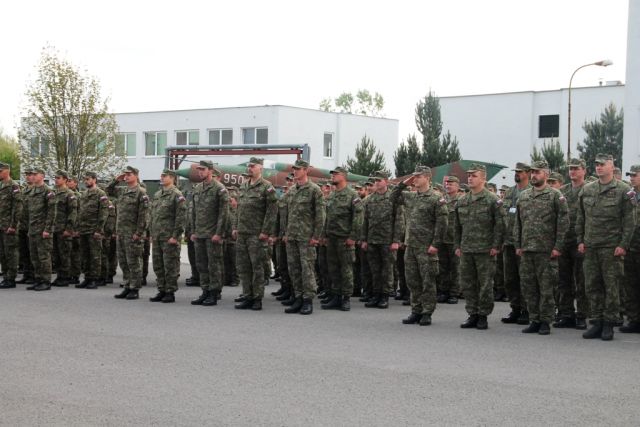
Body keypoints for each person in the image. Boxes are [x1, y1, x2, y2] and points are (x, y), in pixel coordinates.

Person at [577, 154, 634, 341]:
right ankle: (597, 321)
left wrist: (623, 244)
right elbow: (581, 218)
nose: (599, 167)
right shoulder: (588, 189)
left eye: (602, 164)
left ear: (612, 166)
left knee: (611, 286)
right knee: (592, 285)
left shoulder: (624, 190)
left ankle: (609, 322)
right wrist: (580, 240)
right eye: (596, 164)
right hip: (591, 246)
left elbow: (630, 221)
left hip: (611, 247)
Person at [515, 161, 569, 335]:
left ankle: (545, 321)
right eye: (532, 172)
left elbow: (563, 222)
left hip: (546, 250)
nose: (534, 175)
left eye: (537, 172)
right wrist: (518, 245)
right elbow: (518, 223)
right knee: (529, 287)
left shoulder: (555, 195)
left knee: (546, 288)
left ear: (546, 174)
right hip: (527, 249)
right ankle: (534, 319)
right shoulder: (524, 196)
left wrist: (558, 246)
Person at [392, 166, 447, 326]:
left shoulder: (436, 198)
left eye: (418, 176)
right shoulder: (411, 196)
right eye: (414, 176)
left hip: (426, 247)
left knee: (427, 281)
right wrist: (404, 182)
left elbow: (442, 223)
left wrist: (435, 244)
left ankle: (427, 312)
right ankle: (416, 310)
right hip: (411, 246)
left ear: (427, 178)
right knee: (413, 281)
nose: (415, 179)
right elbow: (392, 197)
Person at [455, 163, 505, 330]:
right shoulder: (462, 200)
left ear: (483, 178)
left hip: (485, 250)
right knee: (468, 283)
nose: (470, 178)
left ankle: (483, 315)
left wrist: (496, 245)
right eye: (469, 175)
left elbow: (500, 225)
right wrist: (457, 245)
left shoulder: (492, 200)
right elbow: (456, 226)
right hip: (467, 249)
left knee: (485, 284)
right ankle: (472, 313)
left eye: (474, 175)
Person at [233, 157, 277, 311]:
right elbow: (239, 209)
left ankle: (257, 298)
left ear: (260, 168)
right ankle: (247, 295)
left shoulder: (267, 187)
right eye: (249, 166)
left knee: (257, 267)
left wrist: (266, 231)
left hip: (256, 235)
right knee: (243, 267)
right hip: (242, 233)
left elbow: (272, 211)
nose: (250, 168)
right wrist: (235, 227)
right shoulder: (244, 185)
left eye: (253, 166)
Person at [283, 159, 325, 315]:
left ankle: (308, 300)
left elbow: (320, 215)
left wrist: (316, 236)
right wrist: (286, 232)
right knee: (294, 268)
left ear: (306, 170)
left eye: (298, 169)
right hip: (292, 236)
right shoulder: (292, 190)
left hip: (306, 237)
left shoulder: (315, 190)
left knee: (307, 269)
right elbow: (287, 213)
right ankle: (298, 297)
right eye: (294, 169)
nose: (295, 171)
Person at [320, 166, 363, 311]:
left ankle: (346, 298)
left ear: (343, 176)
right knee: (333, 269)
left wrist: (353, 237)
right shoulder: (332, 195)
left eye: (336, 174)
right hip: (331, 238)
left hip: (344, 238)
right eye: (332, 174)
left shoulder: (352, 195)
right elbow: (327, 217)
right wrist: (324, 235)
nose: (332, 176)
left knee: (346, 269)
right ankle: (336, 296)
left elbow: (358, 217)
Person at [361, 171, 405, 309]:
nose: (377, 183)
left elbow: (399, 220)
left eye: (379, 180)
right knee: (374, 270)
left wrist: (396, 240)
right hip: (372, 239)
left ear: (386, 181)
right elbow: (365, 221)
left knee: (387, 270)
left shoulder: (393, 198)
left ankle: (384, 296)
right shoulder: (369, 199)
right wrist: (364, 239)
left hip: (387, 240)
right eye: (375, 180)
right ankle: (376, 295)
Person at [555, 158, 589, 329]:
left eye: (576, 168)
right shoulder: (562, 191)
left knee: (581, 280)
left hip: (581, 241)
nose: (573, 171)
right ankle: (566, 314)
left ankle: (582, 315)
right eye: (570, 169)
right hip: (564, 241)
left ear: (584, 170)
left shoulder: (590, 189)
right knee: (564, 280)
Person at [189, 161, 229, 307]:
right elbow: (194, 211)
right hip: (200, 233)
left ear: (210, 171)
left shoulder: (219, 188)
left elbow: (223, 213)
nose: (200, 172)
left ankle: (214, 292)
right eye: (199, 169)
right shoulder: (198, 188)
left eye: (203, 169)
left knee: (214, 265)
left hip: (212, 234)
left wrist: (219, 233)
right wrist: (193, 231)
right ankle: (205, 290)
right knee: (201, 264)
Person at [108, 166, 150, 300]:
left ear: (136, 176)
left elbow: (144, 216)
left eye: (129, 174)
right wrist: (116, 180)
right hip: (121, 232)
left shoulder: (141, 193)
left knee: (134, 262)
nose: (126, 177)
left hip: (133, 233)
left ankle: (135, 288)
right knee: (123, 262)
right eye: (125, 174)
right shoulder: (123, 191)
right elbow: (108, 190)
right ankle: (127, 285)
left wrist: (139, 232)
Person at [149, 169, 186, 303]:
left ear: (172, 178)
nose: (162, 178)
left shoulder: (177, 194)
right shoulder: (158, 194)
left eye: (165, 176)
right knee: (158, 265)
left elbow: (180, 217)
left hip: (169, 237)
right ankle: (162, 289)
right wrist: (152, 233)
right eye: (161, 176)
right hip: (157, 236)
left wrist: (175, 236)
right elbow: (153, 215)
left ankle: (170, 291)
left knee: (170, 265)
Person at [501, 162, 531, 325]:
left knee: (525, 278)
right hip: (509, 241)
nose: (517, 174)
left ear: (528, 173)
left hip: (525, 242)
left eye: (520, 172)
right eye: (516, 171)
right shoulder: (510, 192)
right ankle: (515, 308)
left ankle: (527, 310)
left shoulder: (531, 191)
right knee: (510, 278)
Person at [75, 172, 109, 289]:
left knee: (95, 256)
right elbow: (80, 212)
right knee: (85, 255)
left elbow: (103, 213)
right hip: (83, 229)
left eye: (88, 179)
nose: (86, 181)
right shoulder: (84, 194)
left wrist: (99, 229)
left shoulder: (101, 194)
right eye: (85, 179)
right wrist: (78, 228)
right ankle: (87, 278)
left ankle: (94, 279)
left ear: (94, 179)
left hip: (94, 229)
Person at [26, 168, 57, 291]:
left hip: (43, 229)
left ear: (42, 176)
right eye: (32, 174)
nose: (33, 176)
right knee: (34, 256)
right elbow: (30, 212)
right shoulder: (32, 190)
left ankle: (45, 281)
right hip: (33, 228)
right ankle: (38, 279)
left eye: (35, 174)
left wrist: (47, 229)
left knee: (44, 256)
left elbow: (51, 212)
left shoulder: (48, 191)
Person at [621, 165, 640, 333]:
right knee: (630, 285)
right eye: (630, 175)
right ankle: (634, 320)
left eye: (635, 175)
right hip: (631, 246)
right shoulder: (629, 195)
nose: (631, 178)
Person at [51, 170, 77, 287]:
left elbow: (73, 212)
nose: (56, 180)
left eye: (58, 178)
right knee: (56, 254)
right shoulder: (55, 193)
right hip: (55, 228)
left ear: (65, 180)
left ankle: (65, 277)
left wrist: (69, 228)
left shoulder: (69, 194)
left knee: (64, 254)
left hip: (64, 229)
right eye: (55, 178)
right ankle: (59, 276)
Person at [438, 175, 461, 304]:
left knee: (455, 268)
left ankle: (454, 293)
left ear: (457, 186)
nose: (448, 186)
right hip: (442, 239)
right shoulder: (442, 200)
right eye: (447, 184)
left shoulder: (461, 200)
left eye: (451, 184)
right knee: (443, 267)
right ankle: (444, 291)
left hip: (454, 240)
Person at [0, 162, 23, 289]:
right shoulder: (1, 185)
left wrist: (13, 225)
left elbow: (17, 207)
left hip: (9, 225)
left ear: (7, 171)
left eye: (0, 171)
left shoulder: (13, 186)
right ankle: (5, 277)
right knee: (2, 253)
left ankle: (11, 278)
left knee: (11, 252)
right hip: (1, 225)